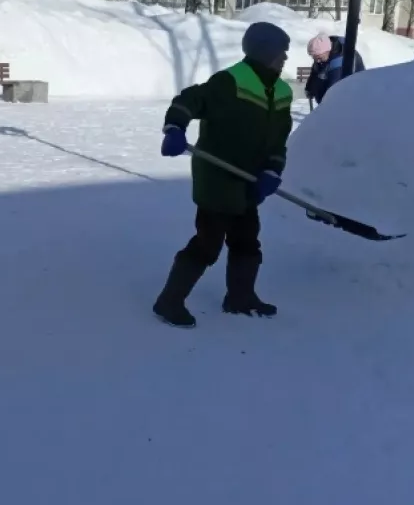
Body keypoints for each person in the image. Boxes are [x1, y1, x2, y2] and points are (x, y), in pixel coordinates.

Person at [153, 21, 294, 328]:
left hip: (250, 181)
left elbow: (279, 140)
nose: (285, 57)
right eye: (281, 51)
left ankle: (240, 298)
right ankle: (169, 301)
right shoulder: (230, 82)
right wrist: (175, 127)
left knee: (247, 241)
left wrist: (272, 170)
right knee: (208, 243)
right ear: (264, 51)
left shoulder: (281, 92)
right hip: (218, 177)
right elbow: (189, 100)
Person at [304, 33, 364, 105]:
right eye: (314, 58)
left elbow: (333, 89)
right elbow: (316, 71)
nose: (317, 61)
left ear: (327, 51)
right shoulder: (323, 51)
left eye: (319, 58)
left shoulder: (339, 60)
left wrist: (324, 106)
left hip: (355, 89)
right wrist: (310, 88)